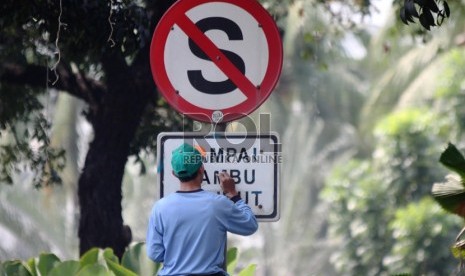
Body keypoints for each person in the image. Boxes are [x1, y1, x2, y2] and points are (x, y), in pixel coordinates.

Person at [146, 143, 258, 276]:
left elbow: (155, 254)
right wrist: (233, 194)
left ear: (174, 174)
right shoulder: (217, 204)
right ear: (201, 169)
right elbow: (250, 225)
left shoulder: (160, 208)